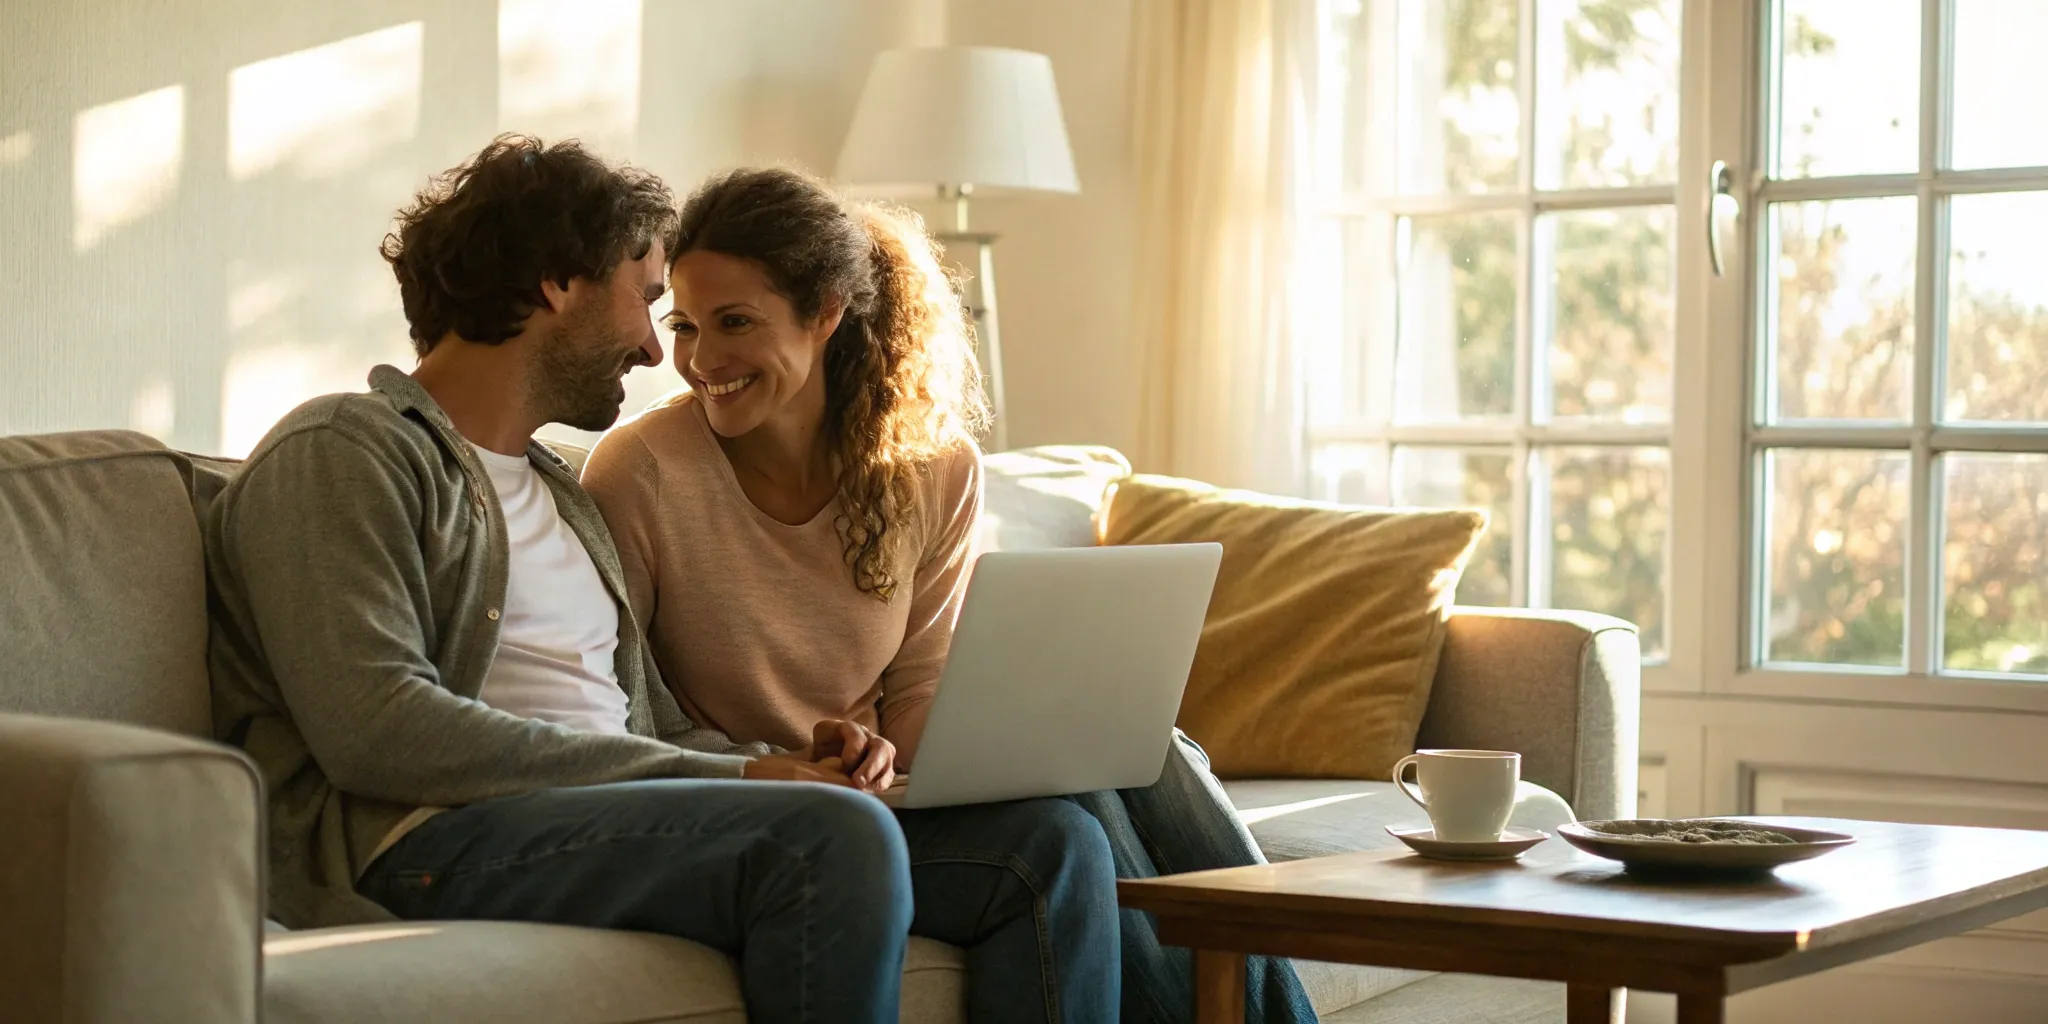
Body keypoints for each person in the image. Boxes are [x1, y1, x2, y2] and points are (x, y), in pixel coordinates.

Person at [206, 135, 1118, 1024]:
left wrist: (795, 761)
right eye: (649, 304)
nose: (656, 353)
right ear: (557, 285)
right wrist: (750, 779)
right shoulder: (348, 448)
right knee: (825, 841)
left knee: (1050, 843)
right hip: (432, 838)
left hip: (623, 818)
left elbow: (653, 727)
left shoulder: (560, 493)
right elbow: (377, 731)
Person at [581, 166, 1319, 1024]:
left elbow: (920, 695)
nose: (701, 361)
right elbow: (627, 716)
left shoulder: (931, 471)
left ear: (826, 313)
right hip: (760, 812)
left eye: (735, 323)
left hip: (885, 801)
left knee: (1140, 752)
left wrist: (965, 742)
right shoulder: (642, 473)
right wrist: (780, 762)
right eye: (685, 325)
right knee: (1065, 834)